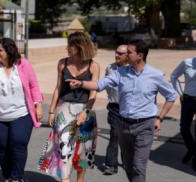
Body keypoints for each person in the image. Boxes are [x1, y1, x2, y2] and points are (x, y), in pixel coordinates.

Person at [67, 39, 176, 182]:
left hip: (145, 126)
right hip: (123, 124)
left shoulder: (156, 75)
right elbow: (100, 84)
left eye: (129, 53)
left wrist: (159, 118)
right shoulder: (120, 72)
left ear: (140, 56)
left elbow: (171, 96)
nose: (126, 55)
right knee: (129, 166)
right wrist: (81, 83)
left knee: (138, 166)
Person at [0, 38, 43, 182]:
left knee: (18, 144)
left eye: (0, 50)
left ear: (9, 51)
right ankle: (7, 176)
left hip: (22, 114)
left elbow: (34, 86)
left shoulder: (23, 65)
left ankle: (17, 177)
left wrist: (38, 103)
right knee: (2, 148)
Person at [38, 32, 99, 182]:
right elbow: (58, 88)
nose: (67, 48)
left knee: (82, 153)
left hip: (86, 110)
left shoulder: (93, 66)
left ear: (80, 47)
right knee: (64, 148)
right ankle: (65, 179)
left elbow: (93, 93)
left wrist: (86, 111)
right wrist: (51, 111)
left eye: (71, 45)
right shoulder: (62, 63)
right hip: (64, 109)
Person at [103, 45, 128, 175]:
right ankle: (111, 165)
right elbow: (106, 85)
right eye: (116, 52)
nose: (117, 55)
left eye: (120, 53)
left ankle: (127, 161)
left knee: (127, 137)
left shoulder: (132, 69)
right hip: (114, 108)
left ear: (127, 55)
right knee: (115, 135)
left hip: (129, 109)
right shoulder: (110, 68)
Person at [170, 57, 196, 170]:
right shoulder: (187, 62)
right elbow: (174, 76)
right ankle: (192, 150)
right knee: (184, 128)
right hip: (188, 100)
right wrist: (180, 93)